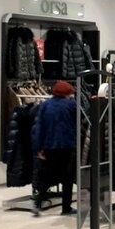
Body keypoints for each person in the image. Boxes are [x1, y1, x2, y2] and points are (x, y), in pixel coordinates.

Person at [33, 81, 78, 215]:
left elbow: (39, 128)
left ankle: (38, 202)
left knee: (47, 175)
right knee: (67, 178)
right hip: (67, 146)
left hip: (50, 145)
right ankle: (66, 208)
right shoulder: (71, 105)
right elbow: (79, 122)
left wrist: (39, 148)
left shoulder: (46, 105)